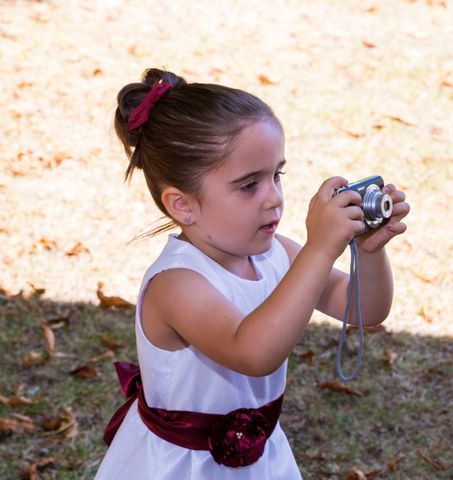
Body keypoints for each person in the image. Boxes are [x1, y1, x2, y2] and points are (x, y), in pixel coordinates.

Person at [95, 68, 410, 479]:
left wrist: (368, 252)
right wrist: (318, 249)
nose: (274, 199)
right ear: (182, 205)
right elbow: (253, 352)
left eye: (276, 175)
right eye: (249, 185)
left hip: (260, 461)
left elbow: (365, 309)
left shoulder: (274, 253)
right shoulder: (177, 284)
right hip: (181, 467)